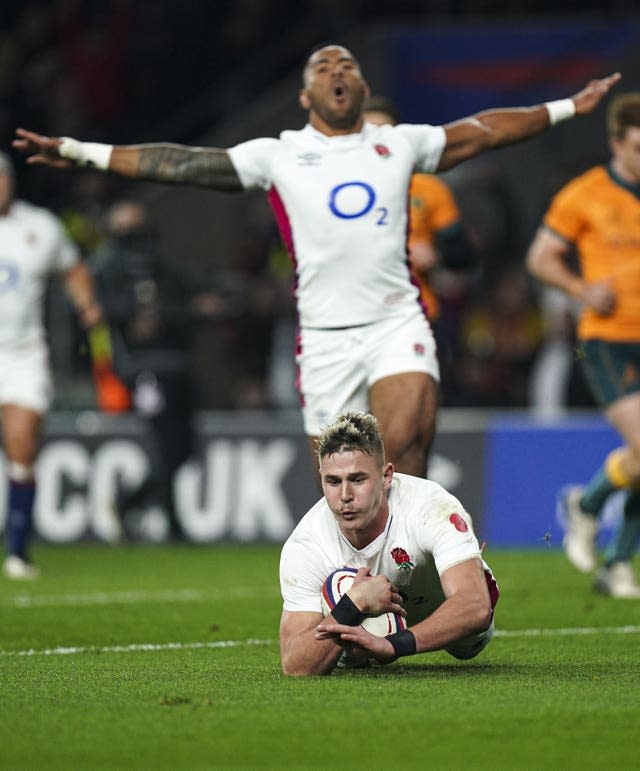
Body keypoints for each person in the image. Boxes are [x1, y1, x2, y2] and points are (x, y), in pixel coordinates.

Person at [12, 44, 620, 481]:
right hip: (324, 340)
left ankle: (413, 575)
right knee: (343, 482)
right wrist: (80, 151)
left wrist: (568, 106)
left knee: (406, 446)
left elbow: (483, 131)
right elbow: (181, 163)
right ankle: (365, 584)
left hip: (395, 322)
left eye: (348, 65)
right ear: (305, 95)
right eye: (323, 67)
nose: (338, 71)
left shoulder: (398, 144)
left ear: (358, 88)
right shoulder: (280, 155)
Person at [278, 411, 499, 675]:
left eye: (358, 479)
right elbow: (295, 664)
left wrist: (393, 645)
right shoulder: (306, 544)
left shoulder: (430, 507)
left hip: (440, 609)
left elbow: (475, 606)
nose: (345, 495)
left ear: (386, 476)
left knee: (469, 646)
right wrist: (353, 603)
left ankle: (466, 561)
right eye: (333, 481)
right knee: (342, 588)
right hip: (363, 611)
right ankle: (359, 637)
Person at [526, 92, 640, 598]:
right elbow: (541, 256)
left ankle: (616, 564)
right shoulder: (586, 194)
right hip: (608, 339)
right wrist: (581, 290)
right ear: (617, 142)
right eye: (638, 148)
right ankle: (590, 506)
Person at [90, 198, 225, 540]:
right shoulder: (108, 267)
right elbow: (107, 311)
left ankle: (130, 502)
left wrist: (200, 304)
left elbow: (191, 290)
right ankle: (172, 522)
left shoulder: (162, 267)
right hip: (143, 369)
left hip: (178, 366)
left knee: (185, 449)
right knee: (165, 445)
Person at [0, 150, 105, 579]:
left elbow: (73, 267)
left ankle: (18, 550)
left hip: (24, 353)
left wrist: (86, 305)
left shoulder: (40, 226)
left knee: (22, 446)